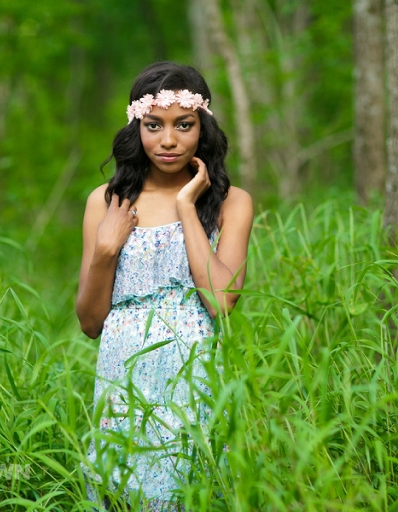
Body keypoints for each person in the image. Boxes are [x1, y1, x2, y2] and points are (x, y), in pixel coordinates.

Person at [75, 61, 253, 511]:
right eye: (154, 125)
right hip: (123, 373)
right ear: (137, 126)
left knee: (190, 489)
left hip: (192, 371)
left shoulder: (233, 202)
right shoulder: (107, 201)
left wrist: (187, 207)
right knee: (122, 489)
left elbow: (220, 301)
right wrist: (105, 249)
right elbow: (90, 321)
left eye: (183, 125)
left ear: (203, 128)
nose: (168, 140)